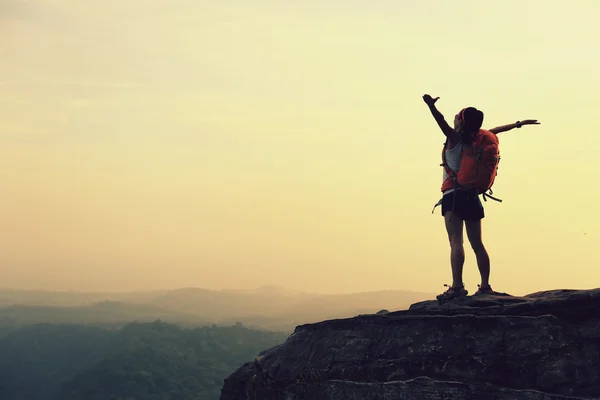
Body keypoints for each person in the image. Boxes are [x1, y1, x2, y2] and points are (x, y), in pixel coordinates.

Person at [422, 94, 540, 301]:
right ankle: (485, 286)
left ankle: (457, 287)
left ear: (459, 122)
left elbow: (439, 121)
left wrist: (431, 106)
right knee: (477, 243)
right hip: (473, 196)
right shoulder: (479, 139)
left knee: (456, 241)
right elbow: (498, 130)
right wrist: (519, 124)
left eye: (457, 116)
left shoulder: (454, 138)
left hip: (453, 195)